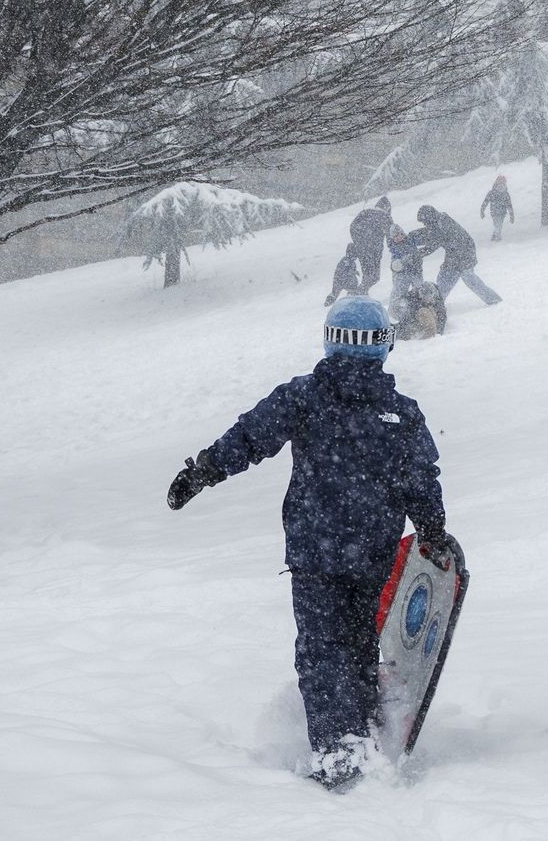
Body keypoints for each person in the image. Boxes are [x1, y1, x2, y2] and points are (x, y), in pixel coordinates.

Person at [165, 297, 448, 791]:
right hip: (374, 553)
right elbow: (420, 480)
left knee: (322, 653)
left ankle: (341, 753)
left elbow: (249, 437)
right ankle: (360, 736)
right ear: (385, 346)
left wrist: (204, 470)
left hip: (316, 553)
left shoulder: (305, 397)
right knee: (358, 646)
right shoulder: (400, 414)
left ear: (329, 340)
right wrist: (432, 530)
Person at [412, 204, 502, 306]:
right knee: (444, 278)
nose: (424, 224)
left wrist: (418, 254)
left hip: (465, 253)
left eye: (424, 221)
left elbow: (433, 243)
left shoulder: (442, 224)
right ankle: (437, 303)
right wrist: (412, 236)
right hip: (455, 253)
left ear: (429, 217)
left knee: (468, 277)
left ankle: (494, 300)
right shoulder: (439, 221)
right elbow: (429, 234)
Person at [348, 197, 393, 294]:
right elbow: (391, 237)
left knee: (368, 274)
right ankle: (358, 293)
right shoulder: (386, 217)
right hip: (375, 251)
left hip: (363, 250)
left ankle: (360, 292)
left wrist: (358, 242)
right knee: (374, 277)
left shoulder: (365, 212)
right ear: (388, 208)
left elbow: (352, 227)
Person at [387, 225, 424, 301]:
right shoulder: (394, 247)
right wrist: (400, 263)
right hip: (402, 273)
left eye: (398, 234)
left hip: (416, 272)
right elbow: (394, 263)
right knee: (398, 294)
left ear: (402, 233)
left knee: (420, 292)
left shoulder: (410, 240)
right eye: (394, 237)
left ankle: (421, 308)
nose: (397, 238)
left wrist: (417, 257)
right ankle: (396, 308)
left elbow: (420, 248)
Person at [479, 175, 515, 242]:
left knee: (499, 224)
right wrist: (482, 211)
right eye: (499, 183)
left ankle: (494, 235)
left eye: (503, 183)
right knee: (497, 224)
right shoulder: (492, 192)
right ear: (496, 183)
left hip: (502, 213)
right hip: (494, 212)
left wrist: (511, 215)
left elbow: (509, 205)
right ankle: (498, 237)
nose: (501, 185)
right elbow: (485, 202)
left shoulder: (506, 194)